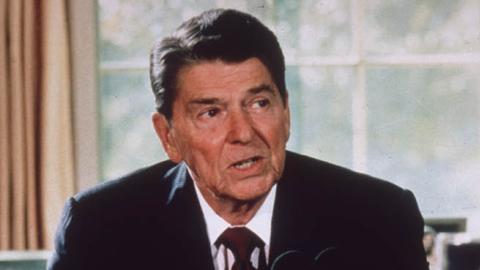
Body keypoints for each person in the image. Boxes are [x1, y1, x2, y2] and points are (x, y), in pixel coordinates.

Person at [48, 9, 428, 270]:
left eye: (260, 103)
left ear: (286, 111)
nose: (244, 133)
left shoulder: (379, 217)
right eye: (211, 113)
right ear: (168, 136)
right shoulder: (99, 228)